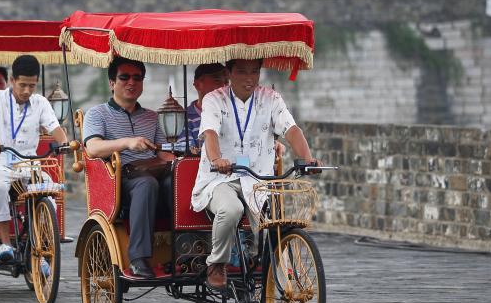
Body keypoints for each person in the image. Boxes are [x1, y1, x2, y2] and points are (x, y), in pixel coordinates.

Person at [191, 58, 317, 288]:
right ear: (228, 72)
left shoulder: (271, 98)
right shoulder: (214, 99)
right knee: (231, 209)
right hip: (221, 178)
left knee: (276, 225)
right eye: (241, 72)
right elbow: (210, 132)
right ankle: (217, 263)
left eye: (254, 72)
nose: (249, 78)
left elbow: (291, 129)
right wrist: (217, 159)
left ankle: (287, 293)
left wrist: (307, 159)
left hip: (258, 178)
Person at [82, 57, 174, 279]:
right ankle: (138, 258)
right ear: (112, 83)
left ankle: (183, 250)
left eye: (137, 78)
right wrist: (127, 142)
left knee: (178, 181)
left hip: (153, 171)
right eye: (124, 77)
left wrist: (182, 160)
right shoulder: (97, 114)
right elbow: (92, 148)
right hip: (119, 178)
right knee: (147, 184)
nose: (131, 83)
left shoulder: (152, 117)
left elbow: (161, 152)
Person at [0, 55, 68, 263]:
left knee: (49, 189)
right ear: (12, 81)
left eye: (32, 86)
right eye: (22, 85)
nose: (27, 91)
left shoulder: (40, 102)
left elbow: (56, 129)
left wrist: (65, 143)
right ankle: (6, 244)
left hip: (29, 164)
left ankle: (43, 244)